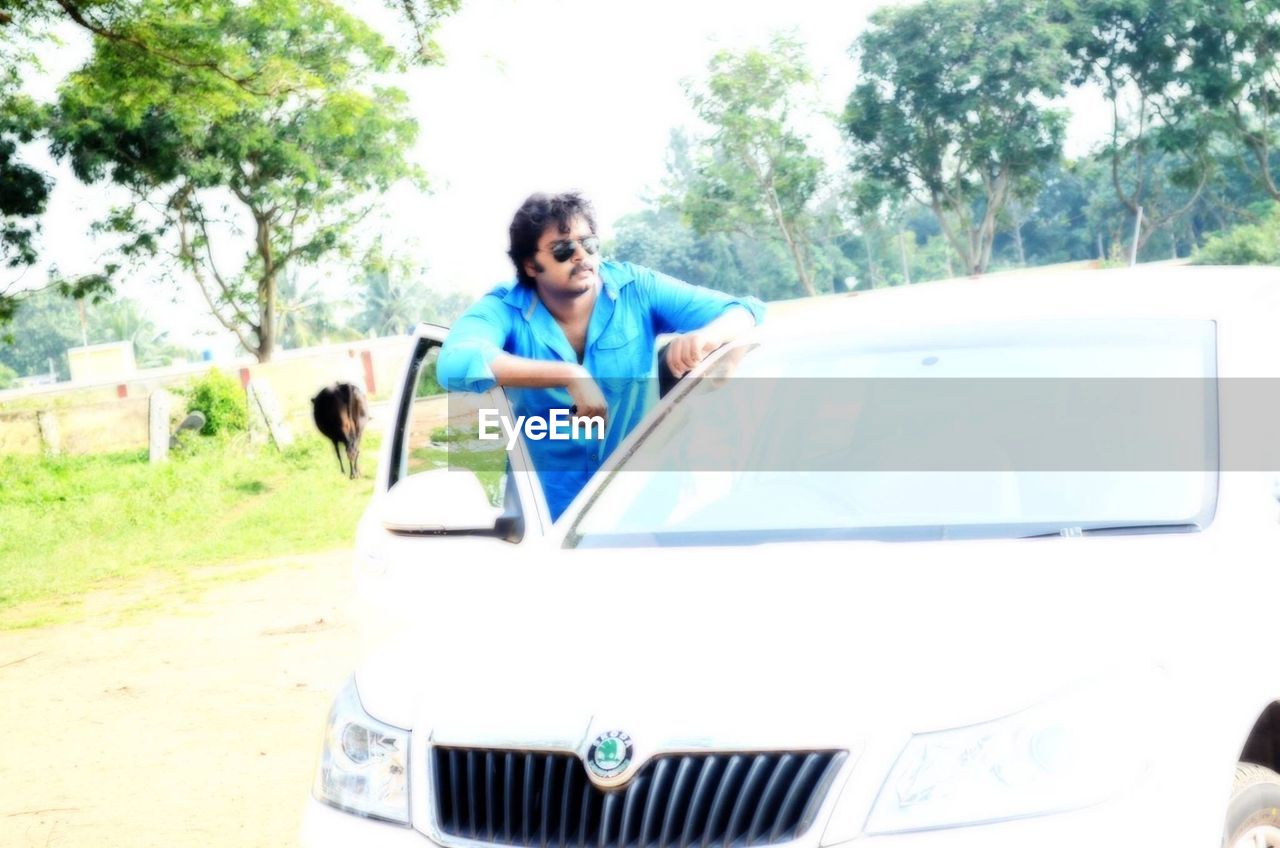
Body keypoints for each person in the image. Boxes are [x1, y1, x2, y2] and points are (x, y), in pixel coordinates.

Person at [436, 191, 765, 521]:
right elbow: (455, 362)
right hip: (546, 515)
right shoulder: (505, 308)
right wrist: (569, 375)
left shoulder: (636, 288)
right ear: (531, 265)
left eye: (589, 244)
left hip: (642, 505)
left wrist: (708, 337)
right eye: (563, 250)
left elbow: (744, 310)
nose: (581, 256)